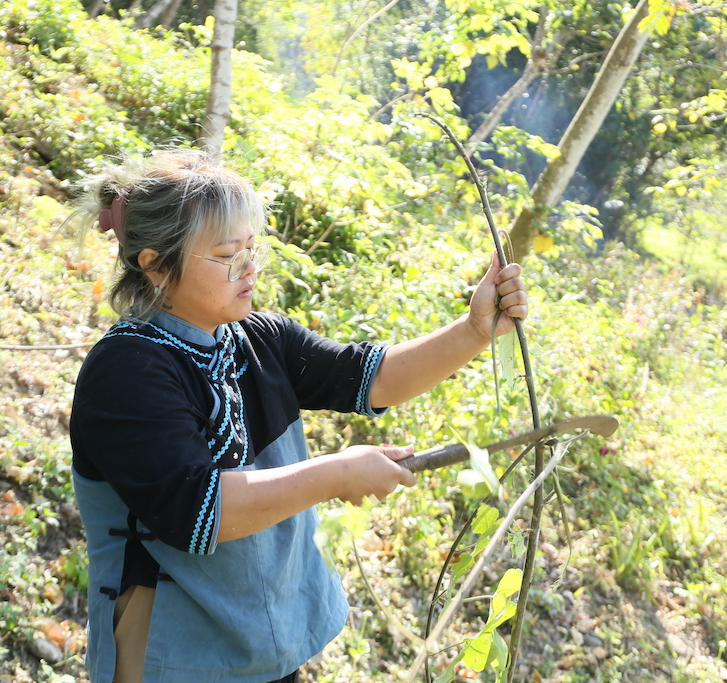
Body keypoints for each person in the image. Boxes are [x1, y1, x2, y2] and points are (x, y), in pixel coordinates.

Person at [67, 149, 528, 683]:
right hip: (172, 661)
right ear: (155, 265)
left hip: (261, 651)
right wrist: (335, 475)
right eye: (225, 256)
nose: (248, 267)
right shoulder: (128, 371)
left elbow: (372, 378)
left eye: (250, 248)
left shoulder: (257, 339)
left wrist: (473, 331)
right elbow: (197, 513)